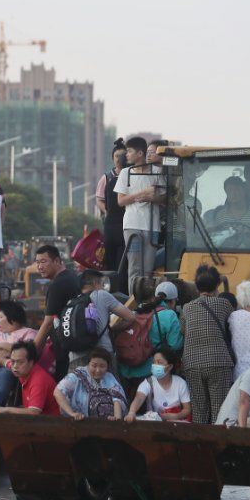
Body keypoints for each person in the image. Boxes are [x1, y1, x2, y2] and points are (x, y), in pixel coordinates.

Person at [181, 265, 235, 424]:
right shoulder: (224, 304)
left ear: (196, 286)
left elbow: (184, 331)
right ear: (218, 285)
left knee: (199, 410)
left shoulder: (187, 308)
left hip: (192, 363)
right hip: (218, 361)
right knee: (220, 409)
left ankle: (198, 445)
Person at [114, 136, 165, 294]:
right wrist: (142, 193)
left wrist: (153, 198)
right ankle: (133, 302)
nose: (126, 155)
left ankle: (147, 303)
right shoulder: (125, 173)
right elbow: (121, 201)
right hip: (131, 226)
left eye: (129, 151)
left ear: (140, 153)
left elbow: (165, 197)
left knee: (148, 269)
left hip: (152, 226)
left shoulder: (157, 172)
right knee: (134, 267)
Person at [66, 269, 136, 371]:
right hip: (102, 355)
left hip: (76, 357)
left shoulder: (71, 302)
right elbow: (130, 317)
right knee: (110, 386)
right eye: (102, 283)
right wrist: (113, 328)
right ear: (95, 282)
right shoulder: (101, 295)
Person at [53, 347, 127, 420]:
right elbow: (58, 392)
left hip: (105, 423)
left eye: (102, 366)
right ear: (88, 364)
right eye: (94, 365)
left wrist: (117, 419)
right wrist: (72, 413)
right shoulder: (77, 376)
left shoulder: (109, 377)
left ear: (107, 366)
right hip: (79, 422)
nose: (98, 370)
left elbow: (117, 399)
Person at [0, 341, 61, 416]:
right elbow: (2, 361)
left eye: (20, 362)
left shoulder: (38, 380)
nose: (15, 366)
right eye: (13, 361)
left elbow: (34, 412)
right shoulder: (21, 370)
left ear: (31, 362)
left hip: (51, 423)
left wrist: (6, 409)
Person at [32, 245, 80, 353]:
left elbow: (48, 323)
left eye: (43, 261)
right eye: (37, 262)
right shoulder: (71, 275)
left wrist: (31, 352)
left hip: (65, 348)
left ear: (57, 261)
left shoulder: (58, 285)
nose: (39, 267)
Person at [124, 351, 191, 422]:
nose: (155, 365)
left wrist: (176, 416)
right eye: (153, 362)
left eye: (159, 362)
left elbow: (187, 409)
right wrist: (131, 412)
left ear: (169, 367)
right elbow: (139, 398)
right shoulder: (148, 382)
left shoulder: (180, 383)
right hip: (155, 424)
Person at [203, 176, 250, 247]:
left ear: (244, 191)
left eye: (237, 189)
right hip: (223, 256)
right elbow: (215, 238)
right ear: (226, 193)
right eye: (230, 190)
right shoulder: (220, 215)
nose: (233, 193)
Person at [97, 139, 128, 272]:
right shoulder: (107, 177)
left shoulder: (131, 174)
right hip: (111, 224)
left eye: (122, 156)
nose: (119, 159)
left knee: (123, 261)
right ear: (112, 158)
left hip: (126, 224)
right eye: (116, 156)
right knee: (110, 260)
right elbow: (99, 200)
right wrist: (106, 211)